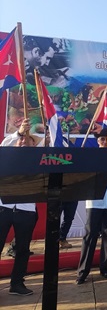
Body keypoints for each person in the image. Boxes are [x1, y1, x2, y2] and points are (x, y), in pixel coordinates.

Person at [76, 128, 107, 284]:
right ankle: (83, 271)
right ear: (97, 142)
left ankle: (105, 268)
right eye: (102, 139)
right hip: (95, 200)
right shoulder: (92, 156)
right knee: (90, 236)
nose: (105, 141)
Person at [0, 119, 38, 296]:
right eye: (21, 140)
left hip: (26, 209)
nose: (23, 142)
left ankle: (17, 283)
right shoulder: (7, 156)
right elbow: (4, 146)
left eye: (28, 141)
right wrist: (20, 133)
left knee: (22, 249)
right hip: (4, 207)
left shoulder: (37, 162)